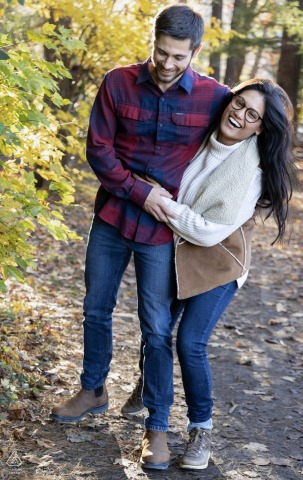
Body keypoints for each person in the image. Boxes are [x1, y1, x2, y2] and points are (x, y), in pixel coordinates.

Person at [50, 3, 229, 470]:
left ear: (195, 51)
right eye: (162, 53)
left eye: (179, 57)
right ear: (154, 41)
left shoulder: (215, 97)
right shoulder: (117, 82)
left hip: (163, 230)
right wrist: (138, 191)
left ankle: (157, 425)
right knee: (95, 308)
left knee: (156, 327)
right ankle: (93, 389)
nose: (168, 65)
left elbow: (246, 137)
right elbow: (99, 148)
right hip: (112, 217)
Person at [123, 78, 296, 470]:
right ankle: (149, 388)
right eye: (239, 103)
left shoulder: (249, 170)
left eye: (253, 115)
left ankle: (201, 430)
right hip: (177, 250)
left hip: (218, 262)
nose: (240, 114)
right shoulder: (198, 135)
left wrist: (159, 201)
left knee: (190, 342)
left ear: (259, 129)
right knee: (156, 329)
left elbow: (207, 229)